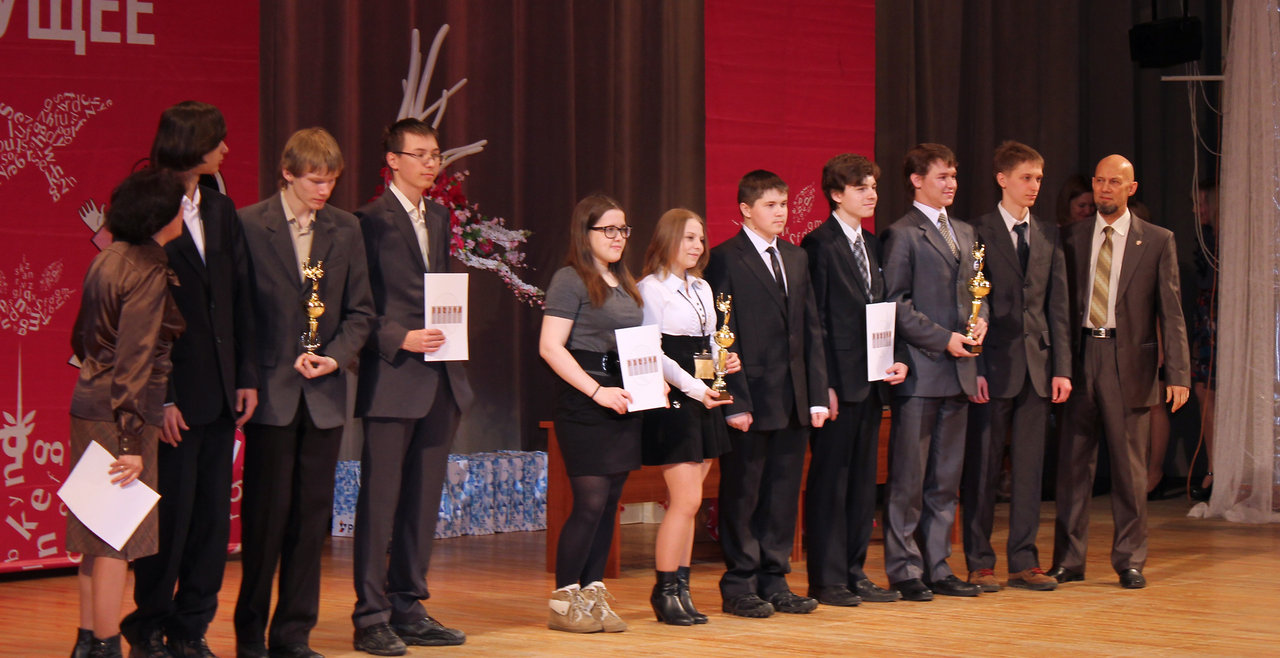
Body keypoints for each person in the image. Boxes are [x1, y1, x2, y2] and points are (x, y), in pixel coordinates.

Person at [120, 101, 258, 658]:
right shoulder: (148, 204)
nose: (225, 149)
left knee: (210, 522)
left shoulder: (221, 207)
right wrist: (165, 397)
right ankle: (148, 627)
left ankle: (192, 628)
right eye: (217, 139)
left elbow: (239, 296)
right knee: (170, 519)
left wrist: (245, 375)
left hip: (222, 391)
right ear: (192, 144)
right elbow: (142, 316)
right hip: (173, 395)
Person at [234, 128, 375, 657]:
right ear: (288, 173)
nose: (324, 190)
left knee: (311, 522)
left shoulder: (345, 228)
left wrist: (333, 356)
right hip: (270, 392)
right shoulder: (250, 224)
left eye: (331, 181)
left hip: (323, 394)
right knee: (265, 520)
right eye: (315, 180)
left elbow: (361, 312)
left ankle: (293, 635)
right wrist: (249, 374)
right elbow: (239, 311)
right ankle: (250, 634)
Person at [351, 118, 473, 655]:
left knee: (422, 502)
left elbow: (440, 289)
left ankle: (408, 605)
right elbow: (356, 303)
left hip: (441, 376)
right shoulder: (367, 221)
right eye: (419, 154)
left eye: (435, 154)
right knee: (380, 501)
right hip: (393, 376)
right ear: (392, 161)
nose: (430, 163)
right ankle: (370, 615)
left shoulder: (439, 217)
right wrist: (398, 336)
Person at [1050, 155, 1190, 589]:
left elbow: (1172, 312)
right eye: (1099, 181)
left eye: (1114, 182)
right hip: (1080, 358)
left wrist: (1179, 373)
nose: (1105, 189)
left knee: (1130, 471)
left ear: (1132, 188)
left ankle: (1129, 560)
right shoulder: (1070, 237)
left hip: (1128, 360)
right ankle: (1068, 560)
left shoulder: (1157, 240)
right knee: (1073, 466)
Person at [68, 168, 187, 658]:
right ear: (161, 217)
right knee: (116, 537)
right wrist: (130, 442)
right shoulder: (147, 270)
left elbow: (81, 339)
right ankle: (106, 644)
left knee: (96, 534)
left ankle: (87, 641)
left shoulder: (108, 258)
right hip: (122, 415)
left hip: (90, 404)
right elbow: (135, 361)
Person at [704, 170, 829, 618]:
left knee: (782, 494)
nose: (781, 213)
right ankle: (739, 583)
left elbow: (810, 328)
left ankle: (774, 580)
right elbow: (722, 334)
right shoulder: (725, 258)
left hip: (792, 399)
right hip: (751, 399)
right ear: (745, 209)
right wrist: (734, 402)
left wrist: (816, 395)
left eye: (784, 204)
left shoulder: (796, 257)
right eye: (770, 205)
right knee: (744, 494)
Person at [961, 141, 1071, 593]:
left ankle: (1025, 560)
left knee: (1029, 469)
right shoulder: (977, 231)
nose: (1034, 186)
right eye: (1026, 178)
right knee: (983, 468)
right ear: (1002, 179)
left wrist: (1062, 368)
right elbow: (971, 301)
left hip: (1037, 367)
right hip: (993, 365)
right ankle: (979, 561)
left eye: (1039, 179)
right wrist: (974, 367)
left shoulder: (1048, 233)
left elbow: (1057, 306)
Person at [799, 154, 907, 607]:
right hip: (838, 383)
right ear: (836, 194)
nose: (871, 195)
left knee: (864, 482)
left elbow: (886, 309)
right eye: (861, 188)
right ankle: (827, 579)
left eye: (874, 187)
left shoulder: (873, 244)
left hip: (873, 377)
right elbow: (815, 321)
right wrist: (822, 384)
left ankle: (855, 571)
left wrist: (897, 357)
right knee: (831, 481)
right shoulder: (819, 244)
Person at [880, 143, 986, 601]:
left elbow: (977, 291)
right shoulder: (902, 234)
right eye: (942, 176)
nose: (951, 184)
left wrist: (981, 320)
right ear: (917, 180)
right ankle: (905, 569)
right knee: (909, 479)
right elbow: (896, 303)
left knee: (945, 480)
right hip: (922, 372)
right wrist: (944, 338)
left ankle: (938, 565)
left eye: (954, 175)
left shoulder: (965, 231)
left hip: (959, 371)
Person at [539, 194, 645, 633]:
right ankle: (564, 601)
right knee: (590, 502)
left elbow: (636, 344)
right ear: (586, 233)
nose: (619, 238)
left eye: (623, 230)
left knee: (609, 505)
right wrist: (597, 391)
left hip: (623, 399)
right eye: (609, 230)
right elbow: (550, 347)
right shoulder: (570, 279)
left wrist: (650, 380)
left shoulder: (624, 281)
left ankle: (593, 592)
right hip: (585, 400)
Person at [637, 209, 740, 625]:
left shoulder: (701, 286)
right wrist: (696, 388)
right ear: (667, 240)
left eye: (701, 238)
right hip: (675, 398)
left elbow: (710, 341)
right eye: (689, 238)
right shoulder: (650, 289)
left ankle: (681, 589)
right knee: (685, 500)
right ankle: (663, 591)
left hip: (703, 396)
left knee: (693, 501)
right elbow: (654, 353)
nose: (698, 246)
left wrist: (724, 361)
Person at [1188, 181, 1218, 501]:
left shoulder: (1228, 239)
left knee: (1214, 392)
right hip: (1206, 318)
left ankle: (1224, 469)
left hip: (1223, 317)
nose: (1196, 210)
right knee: (1203, 390)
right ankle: (1213, 467)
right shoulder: (1205, 238)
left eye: (1201, 204)